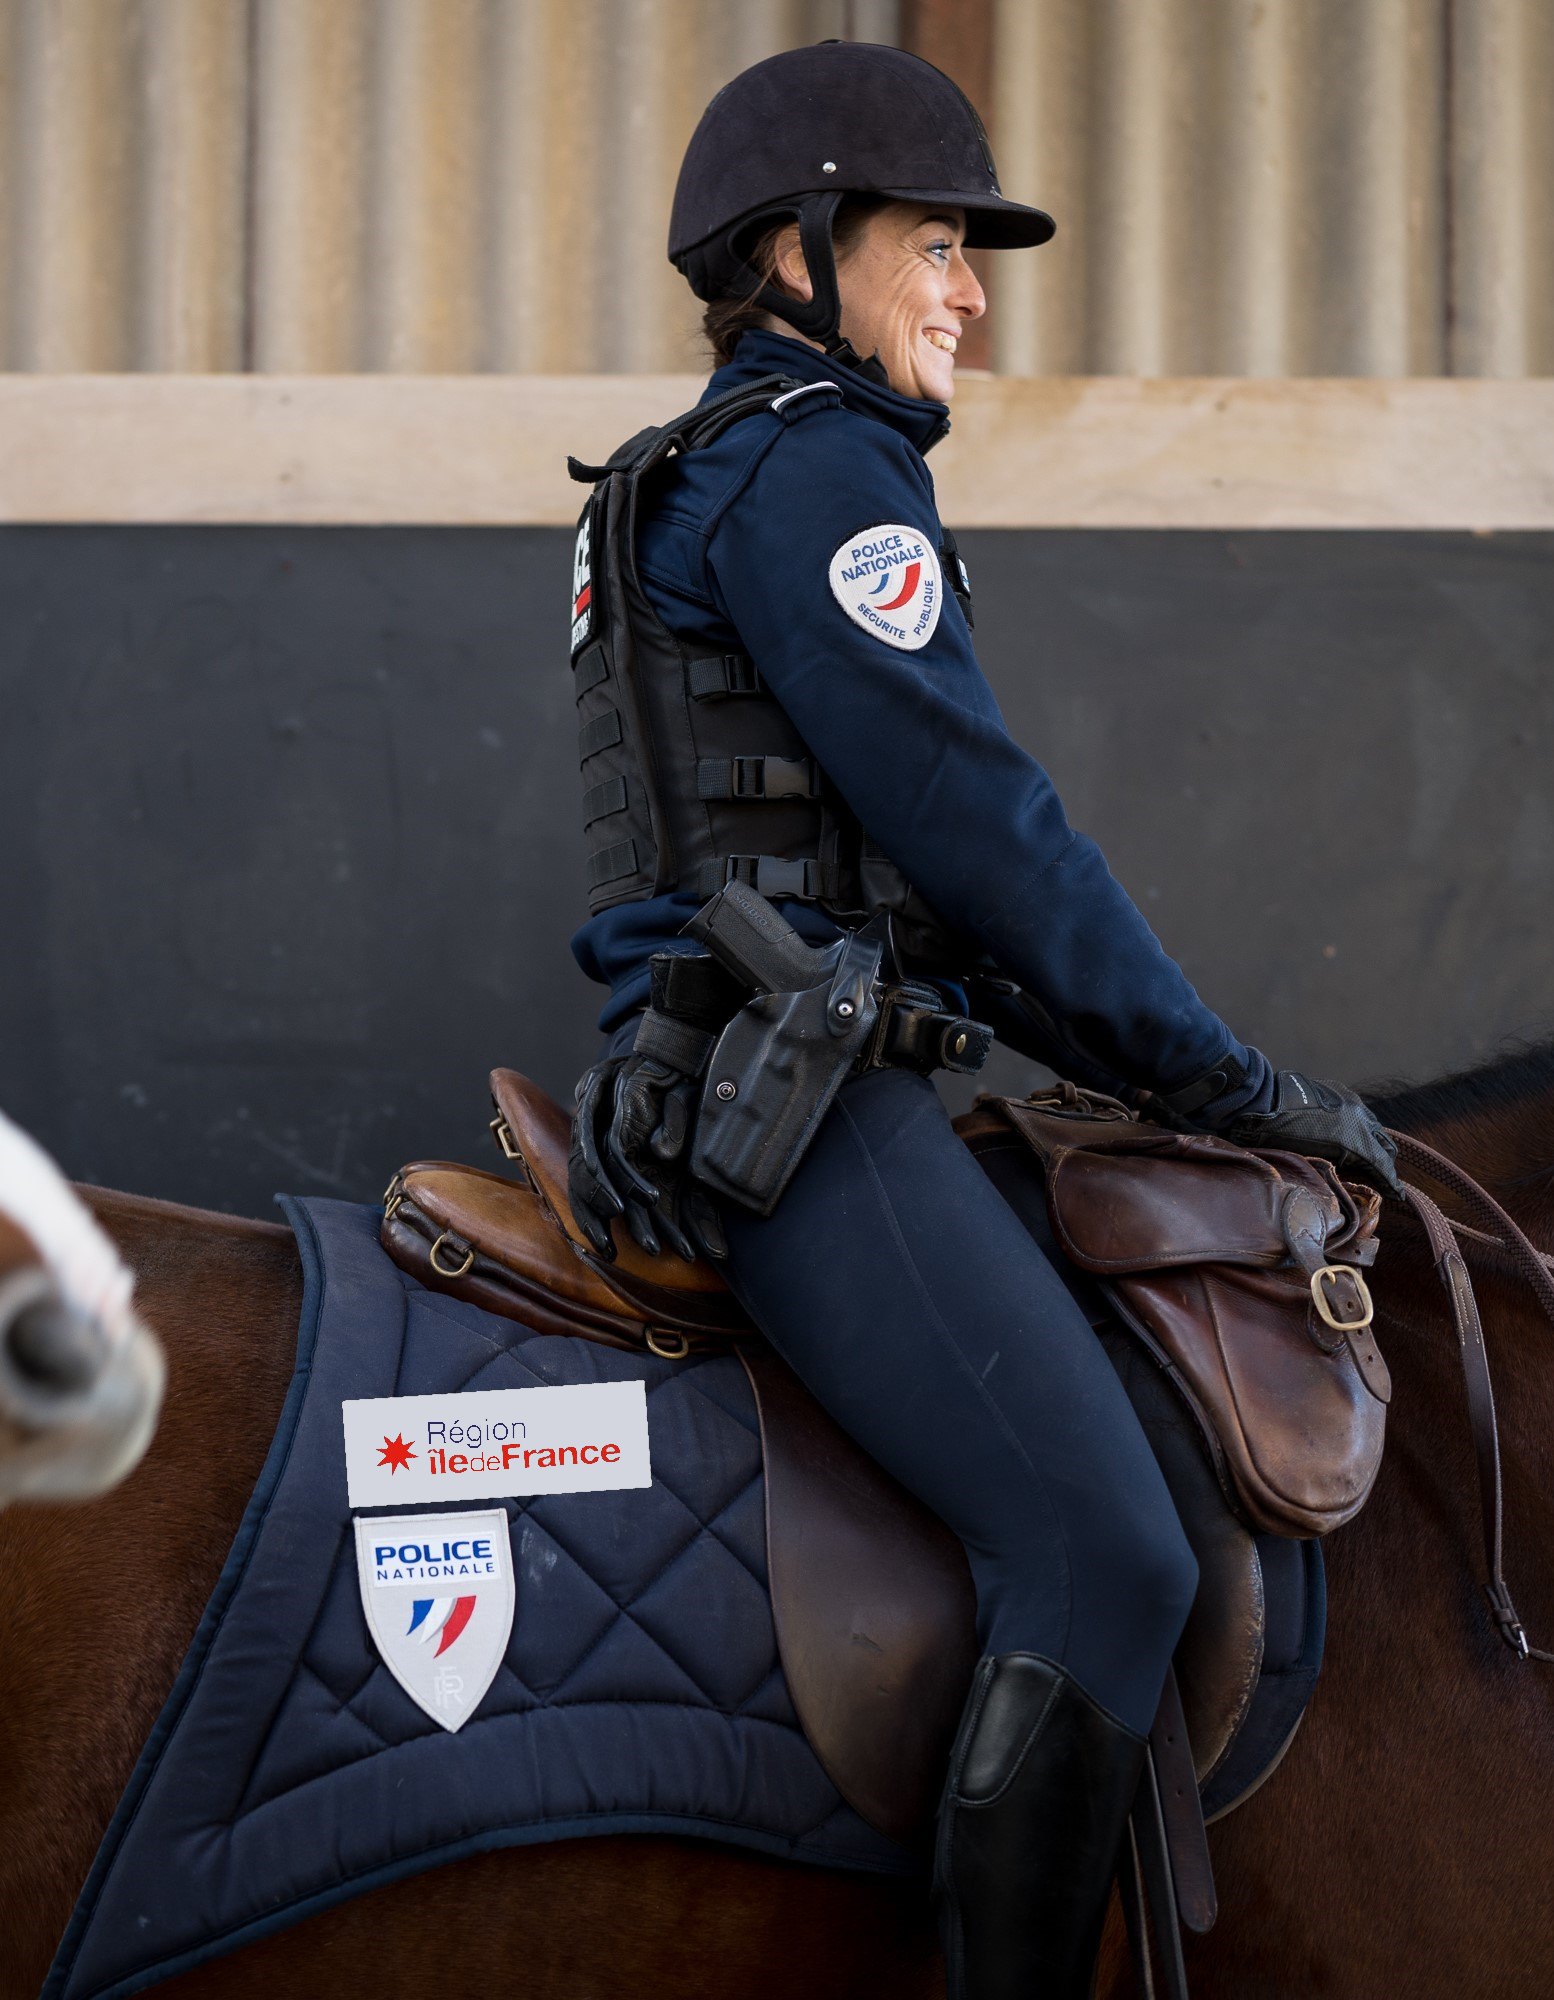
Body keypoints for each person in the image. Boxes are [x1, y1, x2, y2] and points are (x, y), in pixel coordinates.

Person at [559, 42, 1397, 2000]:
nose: (973, 295)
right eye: (936, 245)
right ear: (801, 252)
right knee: (1109, 1554)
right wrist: (1222, 1079)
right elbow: (985, 830)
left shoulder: (693, 467)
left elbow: (904, 883)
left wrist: (1121, 1061)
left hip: (736, 1069)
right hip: (796, 1116)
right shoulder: (816, 468)